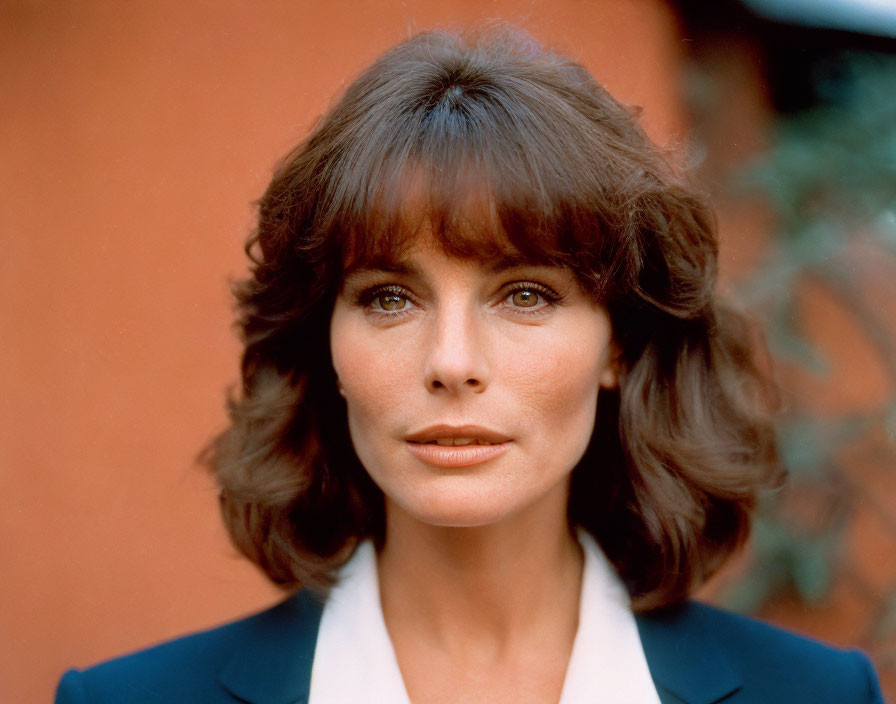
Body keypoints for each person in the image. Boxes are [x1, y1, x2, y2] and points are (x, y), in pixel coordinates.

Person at [56, 26, 884, 704]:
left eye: (524, 295)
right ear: (325, 345)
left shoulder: (818, 694)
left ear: (620, 343)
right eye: (388, 297)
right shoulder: (126, 700)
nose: (451, 363)